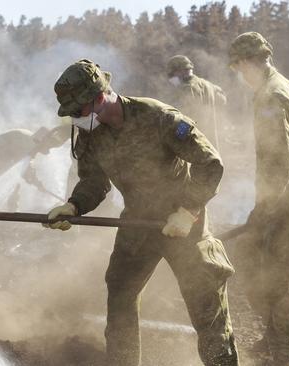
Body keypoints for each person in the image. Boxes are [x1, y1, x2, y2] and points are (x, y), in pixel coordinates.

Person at [44, 59, 239, 366]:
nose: (75, 119)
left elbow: (210, 163)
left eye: (77, 111)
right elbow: (94, 181)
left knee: (207, 308)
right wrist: (75, 205)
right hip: (137, 222)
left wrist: (187, 212)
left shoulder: (158, 117)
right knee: (120, 294)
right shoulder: (91, 134)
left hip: (183, 223)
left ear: (99, 97)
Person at [228, 31, 289, 365]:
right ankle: (275, 338)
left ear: (245, 62)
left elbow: (281, 162)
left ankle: (283, 353)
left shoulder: (272, 95)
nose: (239, 75)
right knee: (260, 268)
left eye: (238, 67)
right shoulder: (283, 85)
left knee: (280, 277)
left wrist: (265, 209)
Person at [166, 55, 227, 149]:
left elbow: (187, 119)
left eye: (171, 75)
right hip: (211, 144)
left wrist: (176, 140)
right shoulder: (208, 85)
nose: (171, 79)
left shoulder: (187, 89)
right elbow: (223, 100)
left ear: (179, 72)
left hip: (196, 146)